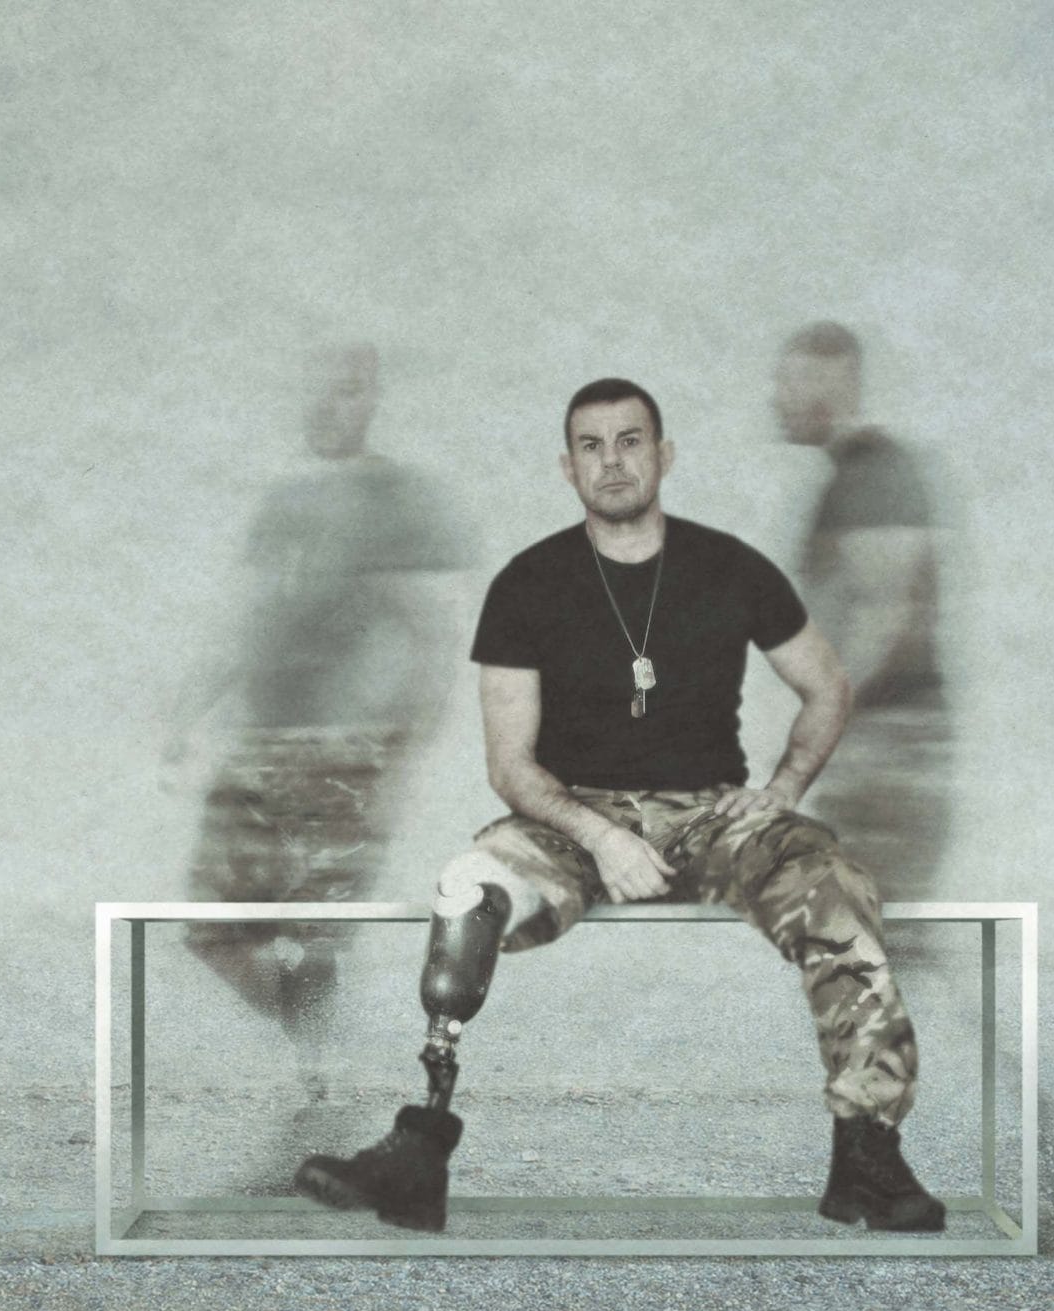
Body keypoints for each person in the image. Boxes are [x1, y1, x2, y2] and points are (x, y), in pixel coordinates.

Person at [293, 377, 946, 1234]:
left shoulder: (730, 566)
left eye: (630, 441)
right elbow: (510, 765)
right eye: (592, 446)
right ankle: (420, 1150)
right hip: (572, 816)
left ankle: (866, 1151)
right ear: (568, 468)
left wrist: (782, 790)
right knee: (466, 889)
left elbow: (827, 686)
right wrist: (601, 838)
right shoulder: (528, 584)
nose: (612, 461)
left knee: (836, 884)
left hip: (712, 815)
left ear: (663, 455)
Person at [160, 341, 470, 1142]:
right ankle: (323, 1055)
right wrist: (189, 711)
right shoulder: (285, 501)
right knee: (212, 932)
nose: (327, 407)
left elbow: (430, 637)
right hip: (259, 743)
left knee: (314, 935)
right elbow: (250, 618)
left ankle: (324, 1082)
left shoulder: (393, 497)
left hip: (343, 749)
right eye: (316, 391)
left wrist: (401, 757)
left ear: (371, 400)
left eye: (346, 393)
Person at [771, 321, 952, 902]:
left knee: (873, 931)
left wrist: (828, 719)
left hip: (889, 751)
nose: (777, 400)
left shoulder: (872, 473)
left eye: (790, 382)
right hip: (881, 748)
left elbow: (886, 612)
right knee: (868, 931)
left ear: (832, 386)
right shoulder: (856, 476)